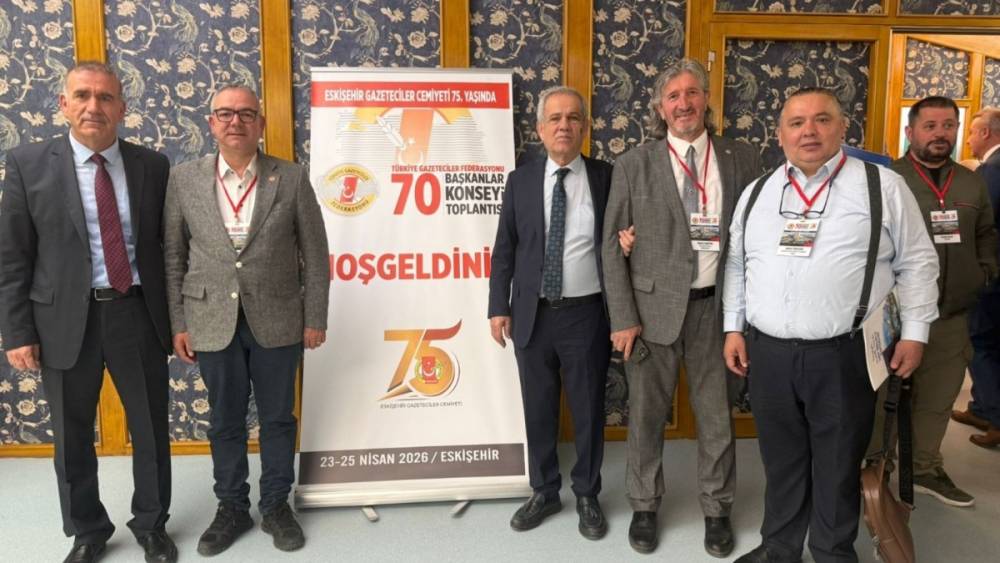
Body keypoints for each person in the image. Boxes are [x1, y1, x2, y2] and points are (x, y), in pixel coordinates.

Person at [723, 87, 939, 563]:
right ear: (779, 134)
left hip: (845, 353)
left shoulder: (882, 186)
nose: (809, 131)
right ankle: (780, 547)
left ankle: (832, 550)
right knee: (781, 459)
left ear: (843, 128)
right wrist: (733, 327)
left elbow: (919, 263)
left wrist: (916, 332)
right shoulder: (757, 193)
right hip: (768, 353)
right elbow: (737, 265)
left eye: (822, 119)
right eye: (796, 122)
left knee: (838, 460)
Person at [0, 61, 176, 563]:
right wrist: (17, 332)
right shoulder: (28, 164)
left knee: (150, 429)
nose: (93, 106)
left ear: (122, 108)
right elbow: (13, 256)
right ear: (64, 104)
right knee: (71, 434)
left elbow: (167, 247)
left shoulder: (152, 165)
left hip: (136, 313)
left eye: (105, 97)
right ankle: (87, 532)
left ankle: (151, 524)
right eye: (82, 95)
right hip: (61, 322)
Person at [603, 58, 763, 557]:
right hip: (651, 313)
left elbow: (756, 235)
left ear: (706, 99)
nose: (684, 103)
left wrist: (746, 318)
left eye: (692, 93)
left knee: (717, 419)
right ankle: (644, 505)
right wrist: (623, 318)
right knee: (646, 417)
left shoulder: (741, 158)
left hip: (718, 313)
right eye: (673, 96)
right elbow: (611, 246)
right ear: (660, 107)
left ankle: (717, 509)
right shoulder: (634, 163)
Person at [163, 85, 330, 554]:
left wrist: (315, 316)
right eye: (224, 113)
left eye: (245, 113)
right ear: (211, 123)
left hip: (279, 316)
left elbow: (316, 254)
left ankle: (276, 505)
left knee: (278, 418)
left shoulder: (291, 177)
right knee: (225, 420)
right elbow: (173, 256)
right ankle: (232, 506)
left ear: (261, 123)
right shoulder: (184, 179)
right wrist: (179, 322)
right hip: (209, 317)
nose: (235, 121)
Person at [488, 86, 612, 541]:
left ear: (585, 127)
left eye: (573, 118)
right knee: (538, 408)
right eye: (555, 118)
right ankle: (544, 490)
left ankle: (587, 493)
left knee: (588, 409)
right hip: (532, 315)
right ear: (540, 129)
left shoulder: (606, 177)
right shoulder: (519, 181)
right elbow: (505, 248)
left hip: (587, 315)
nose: (564, 125)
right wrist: (498, 307)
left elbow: (622, 237)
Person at [866, 97, 997, 507]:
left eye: (949, 125)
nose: (940, 134)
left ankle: (924, 468)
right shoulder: (888, 179)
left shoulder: (972, 182)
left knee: (938, 399)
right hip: (894, 315)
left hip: (952, 315)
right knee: (881, 400)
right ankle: (874, 469)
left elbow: (987, 233)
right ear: (911, 132)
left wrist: (984, 273)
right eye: (930, 126)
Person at [954, 107, 1000, 448]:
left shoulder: (992, 170)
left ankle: (993, 418)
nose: (968, 139)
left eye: (970, 131)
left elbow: (979, 223)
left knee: (981, 342)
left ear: (985, 133)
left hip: (991, 274)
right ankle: (981, 407)